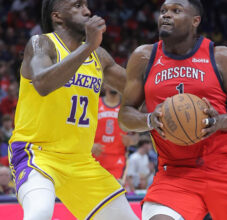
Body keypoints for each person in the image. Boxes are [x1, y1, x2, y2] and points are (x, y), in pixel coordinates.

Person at [118, 0, 227, 219]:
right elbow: (125, 114)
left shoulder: (221, 57)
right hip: (175, 172)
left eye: (176, 11)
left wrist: (221, 121)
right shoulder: (143, 57)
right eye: (163, 11)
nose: (166, 15)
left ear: (195, 21)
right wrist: (150, 119)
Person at [8, 0, 139, 219]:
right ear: (57, 16)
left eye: (86, 5)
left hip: (80, 161)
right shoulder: (42, 44)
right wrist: (88, 45)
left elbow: (139, 94)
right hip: (37, 154)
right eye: (77, 5)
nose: (87, 11)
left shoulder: (100, 56)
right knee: (39, 211)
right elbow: (42, 83)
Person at [93, 84, 134, 184]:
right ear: (105, 84)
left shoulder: (126, 108)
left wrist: (132, 140)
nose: (113, 84)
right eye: (111, 81)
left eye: (115, 81)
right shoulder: (95, 103)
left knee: (115, 196)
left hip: (117, 162)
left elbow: (136, 136)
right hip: (94, 158)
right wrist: (89, 145)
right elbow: (83, 130)